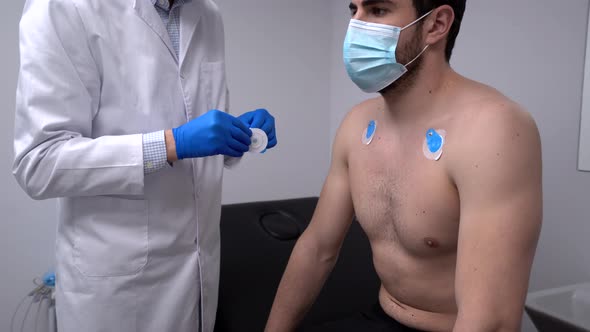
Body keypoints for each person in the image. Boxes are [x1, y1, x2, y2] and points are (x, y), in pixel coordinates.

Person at [265, 0, 542, 331]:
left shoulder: (494, 130)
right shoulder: (357, 124)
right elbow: (317, 248)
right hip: (380, 316)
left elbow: (491, 320)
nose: (356, 27)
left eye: (378, 10)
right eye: (354, 11)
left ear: (436, 24)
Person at [12, 0, 277, 331]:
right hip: (116, 293)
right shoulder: (62, 7)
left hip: (199, 276)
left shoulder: (207, 14)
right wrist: (171, 144)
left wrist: (237, 135)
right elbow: (38, 162)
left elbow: (196, 131)